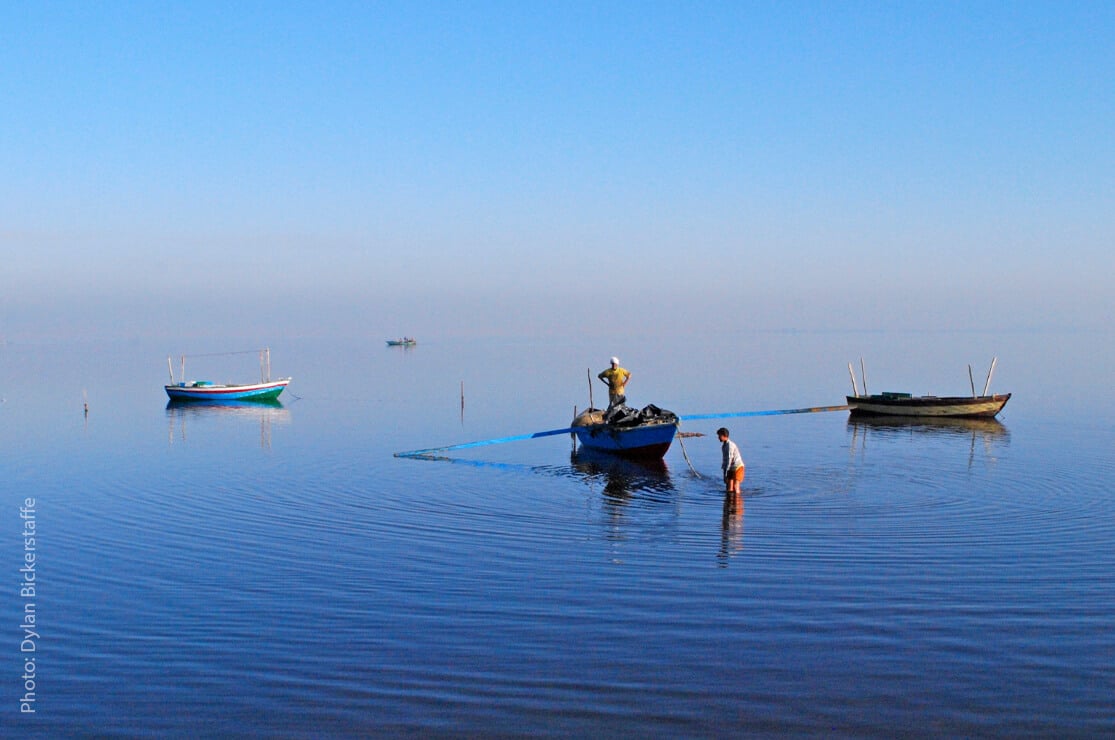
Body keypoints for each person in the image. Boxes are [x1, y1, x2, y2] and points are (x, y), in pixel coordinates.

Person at [717, 427, 745, 494]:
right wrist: (724, 475)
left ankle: (737, 502)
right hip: (730, 468)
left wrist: (726, 473)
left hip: (737, 466)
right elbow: (725, 461)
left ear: (724, 436)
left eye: (719, 435)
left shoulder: (730, 445)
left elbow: (729, 459)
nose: (718, 437)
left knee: (735, 486)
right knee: (729, 488)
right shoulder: (723, 446)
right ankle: (729, 503)